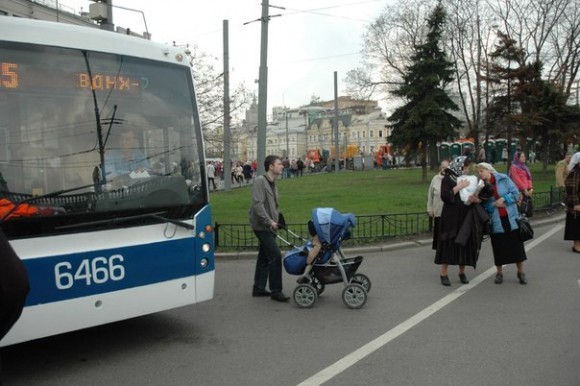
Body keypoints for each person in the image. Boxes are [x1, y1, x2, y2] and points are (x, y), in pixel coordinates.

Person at [476, 162, 528, 285]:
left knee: (517, 247)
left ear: (488, 170)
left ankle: (520, 272)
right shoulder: (481, 186)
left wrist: (504, 199)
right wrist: (493, 204)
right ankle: (499, 273)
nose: (480, 173)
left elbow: (516, 193)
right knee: (499, 247)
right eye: (478, 172)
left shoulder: (503, 178)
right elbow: (483, 205)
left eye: (481, 171)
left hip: (510, 217)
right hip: (496, 220)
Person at [435, 156, 481, 286]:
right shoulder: (448, 178)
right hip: (450, 217)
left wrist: (473, 197)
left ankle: (462, 272)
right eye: (465, 167)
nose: (466, 170)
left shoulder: (467, 178)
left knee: (463, 243)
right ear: (458, 166)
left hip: (464, 215)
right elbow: (445, 196)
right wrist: (459, 187)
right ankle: (444, 274)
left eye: (467, 167)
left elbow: (468, 194)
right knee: (448, 244)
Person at [249, 155, 289, 302]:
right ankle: (276, 291)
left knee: (264, 257)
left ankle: (258, 288)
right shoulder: (261, 181)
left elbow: (272, 206)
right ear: (271, 167)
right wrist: (269, 222)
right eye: (279, 164)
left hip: (270, 225)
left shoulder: (273, 183)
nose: (282, 166)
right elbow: (257, 204)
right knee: (275, 256)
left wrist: (278, 220)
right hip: (262, 226)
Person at [427, 159, 449, 250]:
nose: (445, 169)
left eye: (447, 167)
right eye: (443, 167)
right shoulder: (435, 178)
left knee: (447, 232)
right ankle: (439, 250)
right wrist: (429, 208)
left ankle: (447, 249)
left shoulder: (452, 178)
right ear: (440, 168)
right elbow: (430, 195)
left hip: (449, 211)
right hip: (438, 210)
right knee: (438, 231)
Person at [563, 152, 580, 252]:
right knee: (576, 224)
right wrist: (576, 203)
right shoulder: (574, 173)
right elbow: (571, 189)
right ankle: (576, 245)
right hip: (576, 204)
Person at [509, 151, 534, 217]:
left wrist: (530, 189)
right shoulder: (514, 167)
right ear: (517, 158)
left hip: (527, 190)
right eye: (522, 157)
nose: (524, 158)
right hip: (519, 190)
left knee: (527, 208)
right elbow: (517, 179)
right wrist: (524, 189)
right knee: (520, 208)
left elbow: (529, 178)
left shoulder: (525, 167)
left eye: (524, 156)